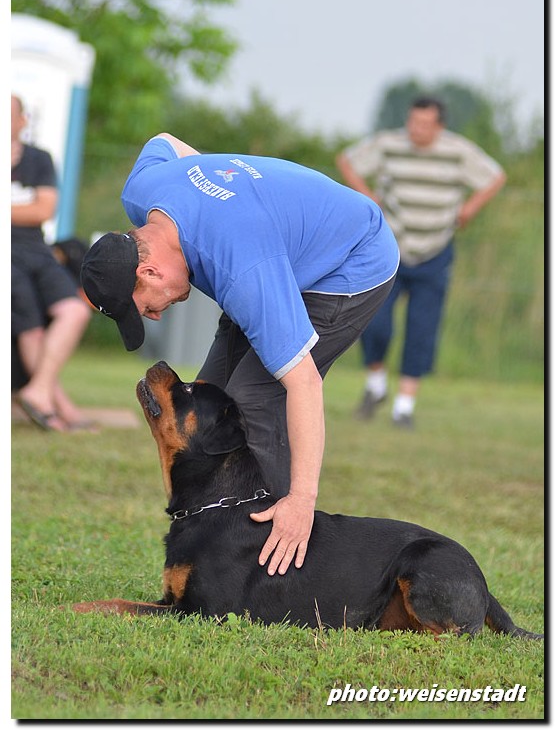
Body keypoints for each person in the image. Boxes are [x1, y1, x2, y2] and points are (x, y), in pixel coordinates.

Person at [80, 133, 400, 576]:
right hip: (266, 254)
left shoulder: (244, 268)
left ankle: (267, 566)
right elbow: (164, 141)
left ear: (149, 270)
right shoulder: (143, 192)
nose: (152, 316)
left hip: (351, 261)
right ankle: (216, 545)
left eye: (143, 307)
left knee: (254, 398)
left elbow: (303, 383)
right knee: (206, 402)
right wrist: (223, 194)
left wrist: (301, 500)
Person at [336, 96, 506, 428]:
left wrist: (470, 208)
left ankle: (404, 406)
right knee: (374, 321)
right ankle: (376, 384)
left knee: (422, 328)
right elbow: (347, 160)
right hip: (389, 247)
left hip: (435, 251)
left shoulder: (458, 151)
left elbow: (495, 176)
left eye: (425, 124)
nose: (416, 129)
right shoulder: (388, 144)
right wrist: (367, 196)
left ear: (439, 126)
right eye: (413, 121)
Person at [11, 94, 93, 432]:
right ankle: (57, 408)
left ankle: (40, 393)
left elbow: (44, 209)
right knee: (30, 329)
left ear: (22, 121)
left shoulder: (38, 159)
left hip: (37, 251)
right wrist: (25, 208)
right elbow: (34, 207)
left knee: (74, 311)